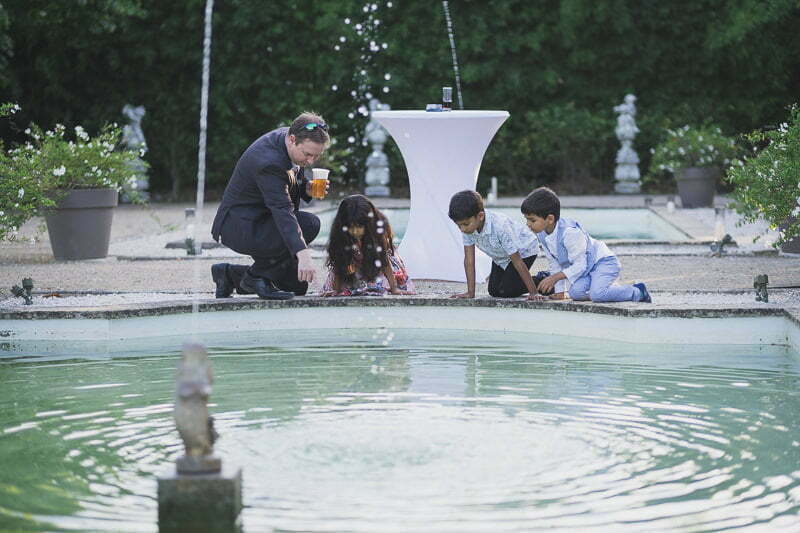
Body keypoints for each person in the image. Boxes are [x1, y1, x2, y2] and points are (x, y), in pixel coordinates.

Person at [210, 112, 330, 300]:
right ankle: (255, 277)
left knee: (295, 285)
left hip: (263, 219)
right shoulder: (269, 162)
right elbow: (283, 210)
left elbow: (287, 180)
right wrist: (303, 253)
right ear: (292, 140)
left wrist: (306, 188)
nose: (310, 161)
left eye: (316, 156)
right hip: (240, 226)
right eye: (307, 155)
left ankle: (228, 275)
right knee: (309, 224)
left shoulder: (289, 138)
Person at [520, 186, 652, 303]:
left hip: (603, 262)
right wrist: (559, 291)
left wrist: (554, 278)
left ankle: (638, 292)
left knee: (597, 295)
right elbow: (554, 262)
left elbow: (580, 265)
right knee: (575, 294)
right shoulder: (542, 233)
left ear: (550, 219)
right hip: (586, 270)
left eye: (532, 220)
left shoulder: (570, 233)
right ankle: (610, 289)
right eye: (527, 219)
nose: (528, 224)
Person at [448, 190, 541, 299]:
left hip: (524, 251)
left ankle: (542, 280)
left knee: (507, 290)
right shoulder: (468, 228)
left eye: (465, 224)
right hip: (501, 255)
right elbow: (469, 260)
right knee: (494, 291)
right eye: (459, 225)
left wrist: (533, 293)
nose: (462, 229)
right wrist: (470, 293)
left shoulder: (500, 226)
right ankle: (525, 283)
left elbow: (517, 261)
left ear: (480, 216)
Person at [321, 194, 414, 297]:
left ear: (368, 223)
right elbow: (339, 264)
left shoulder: (377, 232)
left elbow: (385, 262)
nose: (355, 231)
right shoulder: (341, 235)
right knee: (347, 288)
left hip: (375, 267)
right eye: (350, 227)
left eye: (359, 226)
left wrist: (394, 288)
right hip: (351, 268)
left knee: (378, 287)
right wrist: (336, 290)